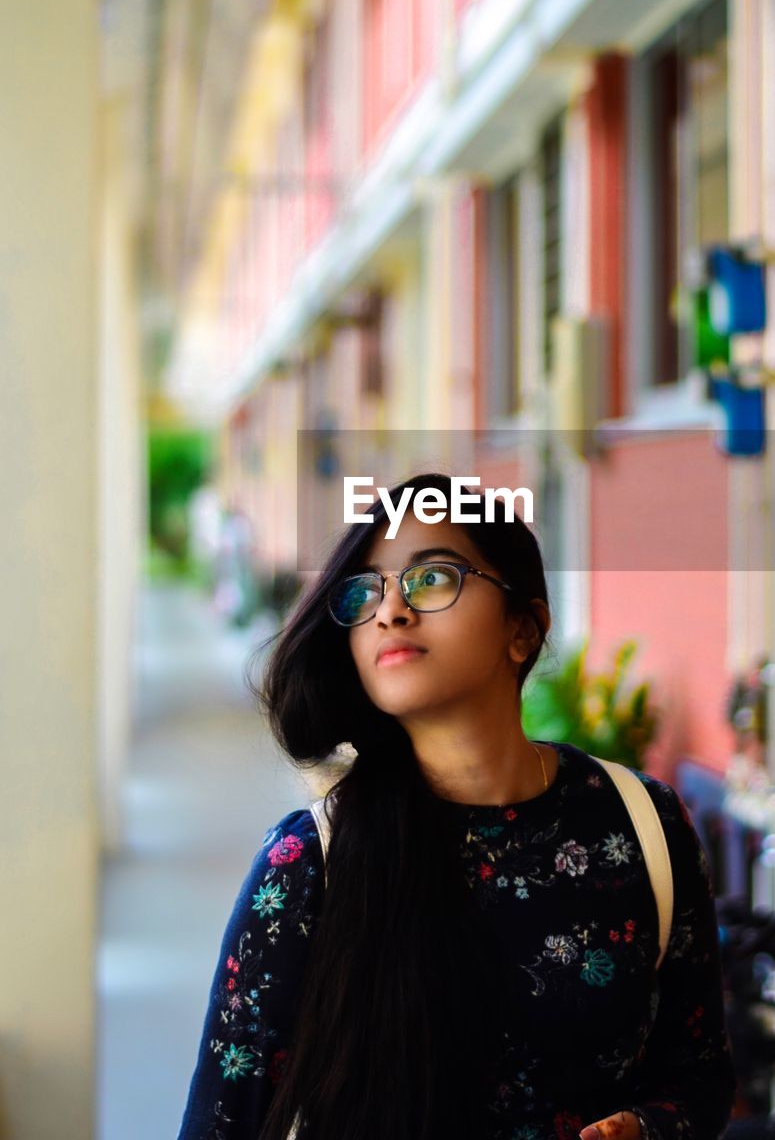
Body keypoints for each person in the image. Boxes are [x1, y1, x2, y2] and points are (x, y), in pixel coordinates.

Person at [176, 472, 737, 1140]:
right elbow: (222, 1125)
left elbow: (700, 1076)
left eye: (431, 578)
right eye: (365, 592)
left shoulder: (645, 826)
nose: (390, 611)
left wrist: (648, 1127)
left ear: (522, 630)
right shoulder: (308, 864)